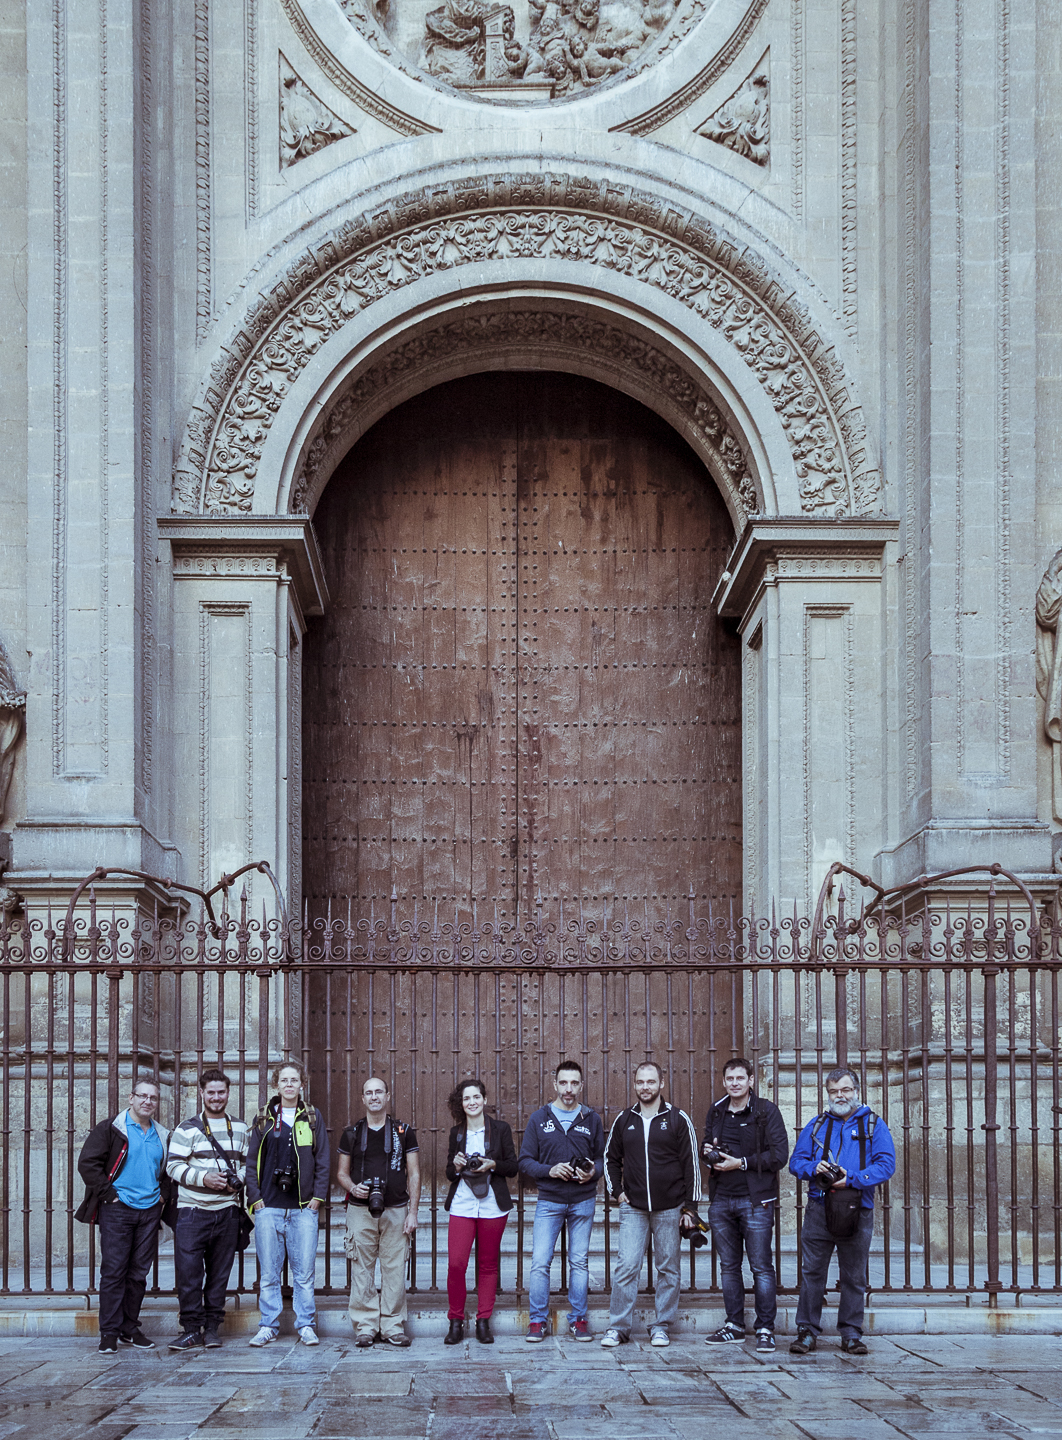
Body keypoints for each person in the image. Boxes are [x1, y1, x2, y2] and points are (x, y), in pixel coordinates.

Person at [788, 1066, 896, 1356]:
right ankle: (807, 1331)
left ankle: (850, 1333)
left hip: (857, 1208)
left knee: (854, 1275)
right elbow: (795, 1163)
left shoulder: (874, 1125)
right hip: (819, 1208)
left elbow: (886, 1165)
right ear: (827, 1094)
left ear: (857, 1092)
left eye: (846, 1090)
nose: (840, 1096)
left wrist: (855, 1178)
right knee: (812, 1272)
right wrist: (814, 1167)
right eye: (834, 1091)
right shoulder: (817, 1125)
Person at [600, 1061, 701, 1348]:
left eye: (650, 1081)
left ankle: (662, 1325)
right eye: (640, 1082)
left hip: (670, 1206)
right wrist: (617, 1191)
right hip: (633, 1207)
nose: (645, 1087)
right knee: (626, 1266)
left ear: (661, 1084)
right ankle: (619, 1327)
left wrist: (690, 1207)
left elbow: (691, 1164)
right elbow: (610, 1158)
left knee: (668, 1267)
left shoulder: (678, 1118)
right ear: (635, 1084)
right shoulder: (624, 1119)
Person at [75, 1077, 173, 1353]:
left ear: (157, 1103)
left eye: (152, 1098)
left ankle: (129, 1328)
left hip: (150, 1210)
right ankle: (108, 1332)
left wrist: (163, 1195)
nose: (147, 1101)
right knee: (114, 1272)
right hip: (117, 1209)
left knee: (139, 1273)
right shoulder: (111, 1129)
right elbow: (88, 1164)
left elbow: (168, 1170)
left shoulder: (161, 1134)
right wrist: (109, 1195)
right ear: (131, 1098)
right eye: (142, 1096)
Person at [701, 1057, 790, 1352]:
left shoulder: (766, 1111)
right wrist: (708, 1152)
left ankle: (765, 1328)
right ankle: (734, 1325)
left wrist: (741, 1163)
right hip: (721, 1200)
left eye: (740, 1078)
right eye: (730, 1079)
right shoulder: (716, 1111)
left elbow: (779, 1156)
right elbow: (706, 1145)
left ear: (751, 1080)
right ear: (724, 1081)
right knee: (728, 1267)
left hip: (756, 1200)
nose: (735, 1083)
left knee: (761, 1267)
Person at [518, 1059, 605, 1342]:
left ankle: (578, 1319)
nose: (569, 1089)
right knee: (540, 1261)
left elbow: (603, 1159)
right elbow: (525, 1162)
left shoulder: (591, 1118)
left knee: (579, 1262)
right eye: (563, 1083)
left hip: (583, 1200)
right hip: (550, 1201)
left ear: (581, 1085)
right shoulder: (539, 1118)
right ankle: (537, 1321)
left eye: (574, 1083)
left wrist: (592, 1173)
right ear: (555, 1084)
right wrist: (550, 1170)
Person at [245, 1060, 329, 1347]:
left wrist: (317, 1199)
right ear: (276, 1085)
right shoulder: (264, 1118)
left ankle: (305, 1324)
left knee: (304, 1272)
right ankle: (268, 1325)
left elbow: (323, 1161)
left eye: (294, 1080)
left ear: (302, 1084)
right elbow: (250, 1161)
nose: (289, 1085)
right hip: (269, 1206)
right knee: (269, 1272)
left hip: (303, 1208)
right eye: (284, 1080)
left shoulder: (312, 1117)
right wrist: (256, 1200)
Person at [165, 1068, 250, 1350]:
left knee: (219, 1274)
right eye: (210, 1092)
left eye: (221, 1092)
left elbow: (247, 1165)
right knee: (188, 1275)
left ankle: (212, 1329)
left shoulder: (239, 1127)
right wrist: (204, 1178)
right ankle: (191, 1329)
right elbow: (173, 1166)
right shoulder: (186, 1128)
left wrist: (235, 1185)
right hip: (192, 1212)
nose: (216, 1097)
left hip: (226, 1211)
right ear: (201, 1093)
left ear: (228, 1093)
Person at [337, 1074, 420, 1348]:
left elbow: (415, 1173)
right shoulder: (351, 1133)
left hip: (396, 1209)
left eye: (379, 1092)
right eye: (369, 1093)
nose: (374, 1097)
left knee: (395, 1268)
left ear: (387, 1097)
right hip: (360, 1210)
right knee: (362, 1269)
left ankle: (393, 1326)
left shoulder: (403, 1131)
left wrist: (413, 1212)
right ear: (363, 1098)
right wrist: (353, 1187)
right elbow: (341, 1174)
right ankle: (366, 1326)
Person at [443, 1077, 518, 1345]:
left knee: (487, 1265)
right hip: (463, 1203)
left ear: (484, 1100)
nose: (472, 1102)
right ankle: (455, 1320)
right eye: (466, 1099)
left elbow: (512, 1166)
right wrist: (456, 1164)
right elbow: (450, 1175)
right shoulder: (457, 1133)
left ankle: (483, 1321)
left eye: (476, 1097)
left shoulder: (500, 1129)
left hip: (492, 1206)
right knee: (456, 1264)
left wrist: (492, 1164)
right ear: (460, 1104)